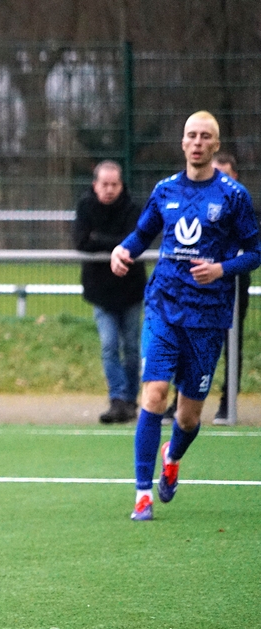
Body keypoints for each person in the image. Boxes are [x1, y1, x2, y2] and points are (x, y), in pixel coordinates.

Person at [111, 111, 260, 521]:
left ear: (216, 144)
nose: (197, 142)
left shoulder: (233, 196)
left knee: (188, 416)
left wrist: (221, 269)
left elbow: (254, 253)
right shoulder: (165, 190)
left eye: (205, 136)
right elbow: (142, 234)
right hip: (164, 305)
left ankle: (172, 456)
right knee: (154, 394)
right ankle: (143, 494)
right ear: (182, 143)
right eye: (191, 135)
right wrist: (123, 250)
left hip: (208, 318)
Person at [73, 160, 145, 424]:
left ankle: (130, 400)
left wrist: (100, 239)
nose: (109, 189)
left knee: (132, 348)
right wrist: (116, 244)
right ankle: (117, 399)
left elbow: (134, 241)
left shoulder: (133, 208)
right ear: (95, 185)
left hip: (130, 289)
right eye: (104, 184)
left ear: (121, 185)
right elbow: (81, 241)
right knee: (109, 345)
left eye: (114, 184)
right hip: (100, 291)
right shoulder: (85, 206)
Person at [210, 153, 254, 425]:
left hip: (234, 282)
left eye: (226, 175)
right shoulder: (198, 202)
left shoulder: (243, 204)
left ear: (235, 177)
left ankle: (228, 403)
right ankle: (179, 401)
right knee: (190, 342)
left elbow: (251, 249)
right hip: (200, 284)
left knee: (232, 341)